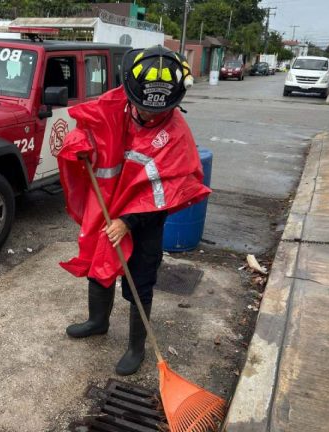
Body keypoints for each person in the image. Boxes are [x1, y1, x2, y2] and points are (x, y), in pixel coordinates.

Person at [56, 46, 211, 376]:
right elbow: (86, 126)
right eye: (140, 107)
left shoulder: (176, 136)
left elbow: (166, 194)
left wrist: (128, 222)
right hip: (108, 205)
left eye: (156, 112)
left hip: (144, 223)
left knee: (139, 281)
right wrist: (80, 143)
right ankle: (98, 322)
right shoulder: (116, 105)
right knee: (100, 266)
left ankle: (136, 347)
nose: (147, 116)